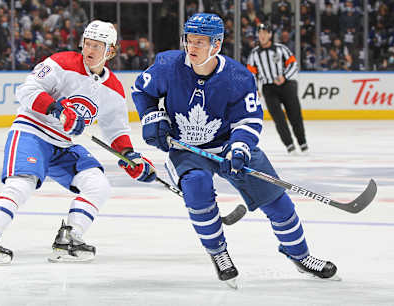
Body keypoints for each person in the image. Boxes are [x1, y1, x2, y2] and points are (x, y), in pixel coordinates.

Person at [131, 13, 338, 288]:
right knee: (197, 185)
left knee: (278, 201)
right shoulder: (168, 65)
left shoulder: (237, 76)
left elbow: (249, 119)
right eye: (189, 40)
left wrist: (239, 147)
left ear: (216, 45)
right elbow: (141, 91)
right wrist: (151, 116)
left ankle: (299, 254)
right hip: (188, 149)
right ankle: (219, 254)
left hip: (228, 144)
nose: (191, 47)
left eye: (200, 42)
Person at [0, 20, 156, 264]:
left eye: (97, 46)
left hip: (63, 144)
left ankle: (69, 238)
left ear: (110, 51)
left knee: (98, 184)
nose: (89, 50)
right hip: (32, 131)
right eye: (87, 43)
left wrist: (130, 156)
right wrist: (57, 109)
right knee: (22, 183)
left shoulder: (115, 89)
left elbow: (116, 129)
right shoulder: (61, 62)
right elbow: (26, 90)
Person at [247, 23, 308, 155]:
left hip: (287, 85)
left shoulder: (281, 49)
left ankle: (303, 143)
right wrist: (255, 89)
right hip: (269, 88)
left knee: (295, 115)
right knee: (279, 119)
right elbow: (251, 74)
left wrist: (284, 77)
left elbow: (293, 64)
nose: (262, 36)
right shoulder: (254, 54)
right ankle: (290, 145)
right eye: (260, 33)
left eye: (265, 33)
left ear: (270, 34)